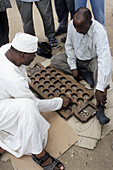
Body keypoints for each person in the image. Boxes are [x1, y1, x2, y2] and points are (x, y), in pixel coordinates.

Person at [0, 32, 72, 169]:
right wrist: (59, 102)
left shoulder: (6, 49)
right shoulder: (13, 80)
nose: (34, 57)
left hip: (4, 97)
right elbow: (35, 104)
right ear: (22, 54)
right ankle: (39, 154)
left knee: (25, 112)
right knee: (28, 108)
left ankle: (3, 145)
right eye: (32, 54)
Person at [51, 7, 112, 125]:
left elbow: (105, 59)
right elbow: (69, 46)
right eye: (75, 27)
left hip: (92, 60)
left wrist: (99, 89)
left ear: (90, 23)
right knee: (55, 60)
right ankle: (83, 73)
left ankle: (100, 109)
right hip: (78, 59)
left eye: (80, 28)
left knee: (104, 75)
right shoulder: (72, 25)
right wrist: (73, 67)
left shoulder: (99, 31)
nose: (77, 30)